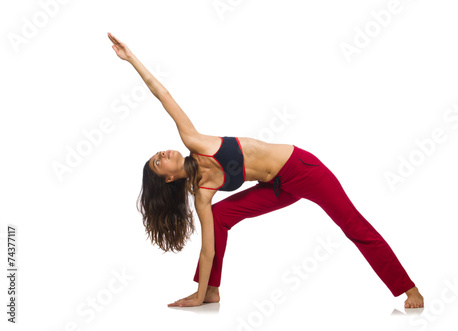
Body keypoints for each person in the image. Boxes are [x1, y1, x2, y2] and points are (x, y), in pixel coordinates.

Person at [108, 32, 424, 309]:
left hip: (302, 169)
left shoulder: (194, 141)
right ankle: (212, 292)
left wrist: (131, 57)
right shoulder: (203, 194)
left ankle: (408, 288)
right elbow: (208, 249)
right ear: (168, 178)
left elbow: (162, 94)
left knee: (353, 225)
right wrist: (199, 293)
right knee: (219, 218)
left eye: (158, 153)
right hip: (278, 188)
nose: (162, 153)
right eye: (158, 161)